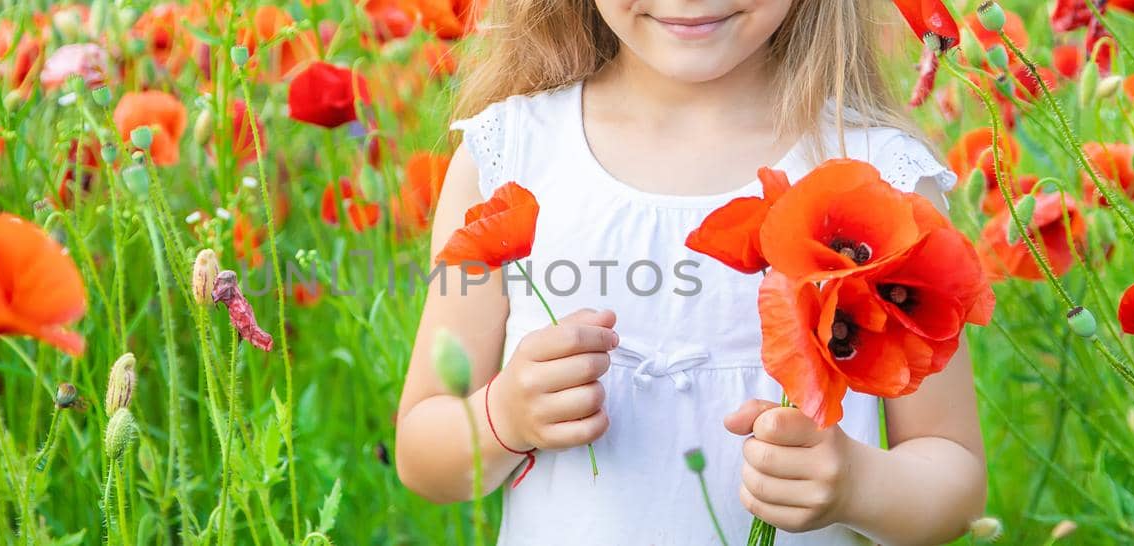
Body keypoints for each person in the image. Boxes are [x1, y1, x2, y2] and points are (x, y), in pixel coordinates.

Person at [396, 1, 986, 544]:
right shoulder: (508, 155)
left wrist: (859, 485)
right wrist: (504, 416)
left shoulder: (880, 176)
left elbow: (955, 481)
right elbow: (423, 452)